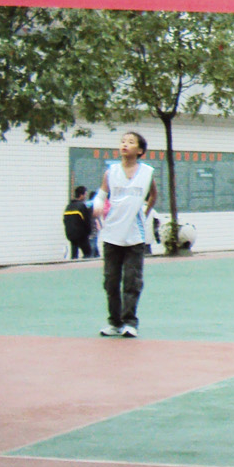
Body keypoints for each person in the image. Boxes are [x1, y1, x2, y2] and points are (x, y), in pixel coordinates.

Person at [95, 132, 158, 338]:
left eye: (130, 142)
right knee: (111, 281)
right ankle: (114, 322)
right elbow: (101, 195)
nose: (125, 145)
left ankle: (130, 322)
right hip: (112, 234)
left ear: (139, 150)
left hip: (134, 237)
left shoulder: (147, 173)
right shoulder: (111, 172)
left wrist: (144, 212)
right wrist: (97, 206)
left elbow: (153, 195)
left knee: (132, 281)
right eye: (123, 141)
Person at [63, 185, 95, 259]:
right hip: (81, 235)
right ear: (81, 195)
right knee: (88, 253)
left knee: (74, 255)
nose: (85, 196)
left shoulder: (68, 206)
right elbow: (87, 221)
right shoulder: (82, 206)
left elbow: (65, 221)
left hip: (70, 235)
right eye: (85, 194)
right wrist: (89, 232)